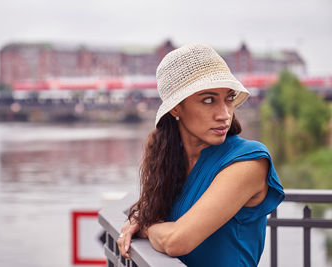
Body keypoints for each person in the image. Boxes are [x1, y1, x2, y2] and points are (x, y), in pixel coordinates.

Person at [116, 44, 285, 267]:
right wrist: (141, 217)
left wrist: (146, 226)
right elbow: (151, 211)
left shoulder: (249, 161)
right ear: (176, 108)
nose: (224, 114)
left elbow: (177, 241)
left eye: (229, 98)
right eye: (208, 100)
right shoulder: (169, 158)